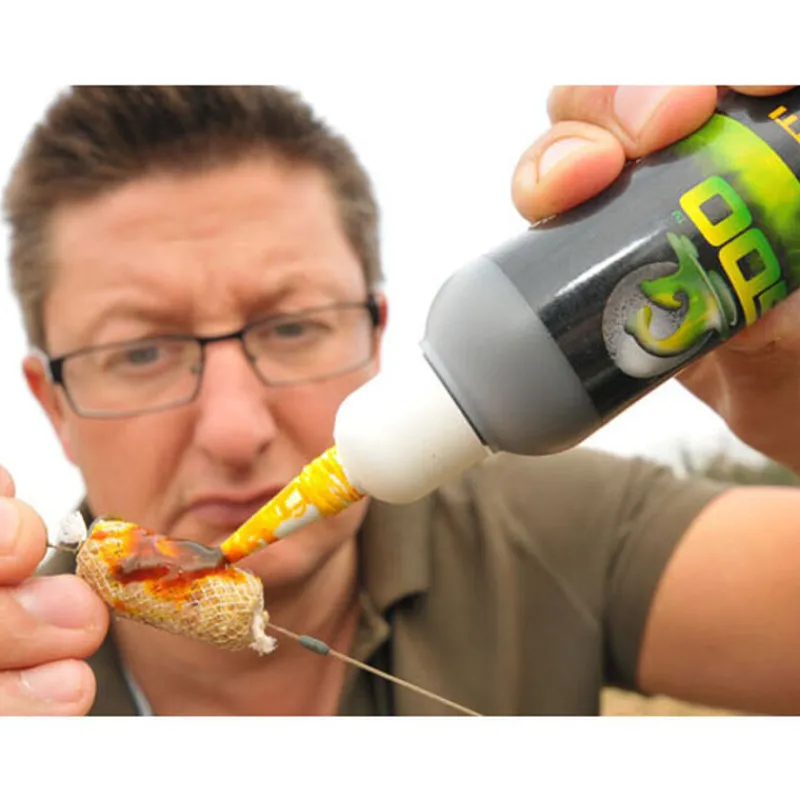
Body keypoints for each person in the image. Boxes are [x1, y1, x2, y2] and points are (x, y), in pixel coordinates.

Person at [1, 85, 798, 716]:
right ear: (53, 405)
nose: (236, 430)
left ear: (378, 336)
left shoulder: (561, 531)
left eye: (292, 327)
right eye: (141, 353)